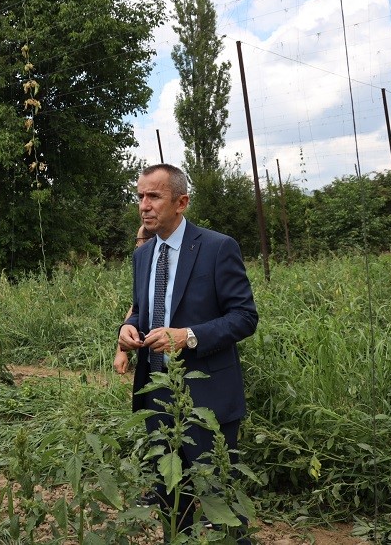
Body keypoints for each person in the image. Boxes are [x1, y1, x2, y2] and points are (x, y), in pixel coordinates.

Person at [117, 163, 258, 539]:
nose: (144, 205)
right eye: (140, 196)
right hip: (158, 394)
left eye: (154, 196)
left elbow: (244, 317)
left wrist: (189, 336)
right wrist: (128, 330)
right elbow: (143, 311)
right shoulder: (144, 255)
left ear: (181, 202)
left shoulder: (217, 247)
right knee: (168, 497)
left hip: (207, 396)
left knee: (220, 499)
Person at [114, 225, 155, 375]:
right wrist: (121, 349)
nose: (136, 245)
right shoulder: (141, 261)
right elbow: (136, 308)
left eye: (138, 240)